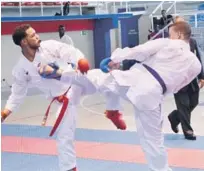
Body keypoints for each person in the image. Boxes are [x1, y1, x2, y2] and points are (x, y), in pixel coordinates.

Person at [37, 22, 202, 171]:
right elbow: (178, 87)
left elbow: (139, 50)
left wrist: (114, 58)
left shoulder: (167, 43)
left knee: (95, 77)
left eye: (171, 34)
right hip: (154, 96)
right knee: (154, 142)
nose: (169, 37)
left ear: (179, 35)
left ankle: (57, 73)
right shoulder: (195, 64)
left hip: (135, 80)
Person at [1, 24, 126, 171]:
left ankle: (113, 111)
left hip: (75, 81)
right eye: (32, 35)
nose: (37, 36)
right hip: (64, 98)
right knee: (63, 136)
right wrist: (5, 112)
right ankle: (69, 168)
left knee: (107, 79)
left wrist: (80, 60)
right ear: (23, 42)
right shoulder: (21, 68)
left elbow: (69, 51)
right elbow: (17, 93)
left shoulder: (48, 46)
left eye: (36, 33)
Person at [168, 17, 204, 140]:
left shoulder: (192, 41)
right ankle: (188, 131)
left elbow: (198, 58)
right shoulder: (169, 44)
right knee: (183, 105)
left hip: (193, 80)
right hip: (179, 81)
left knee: (193, 103)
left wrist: (202, 76)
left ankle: (174, 117)